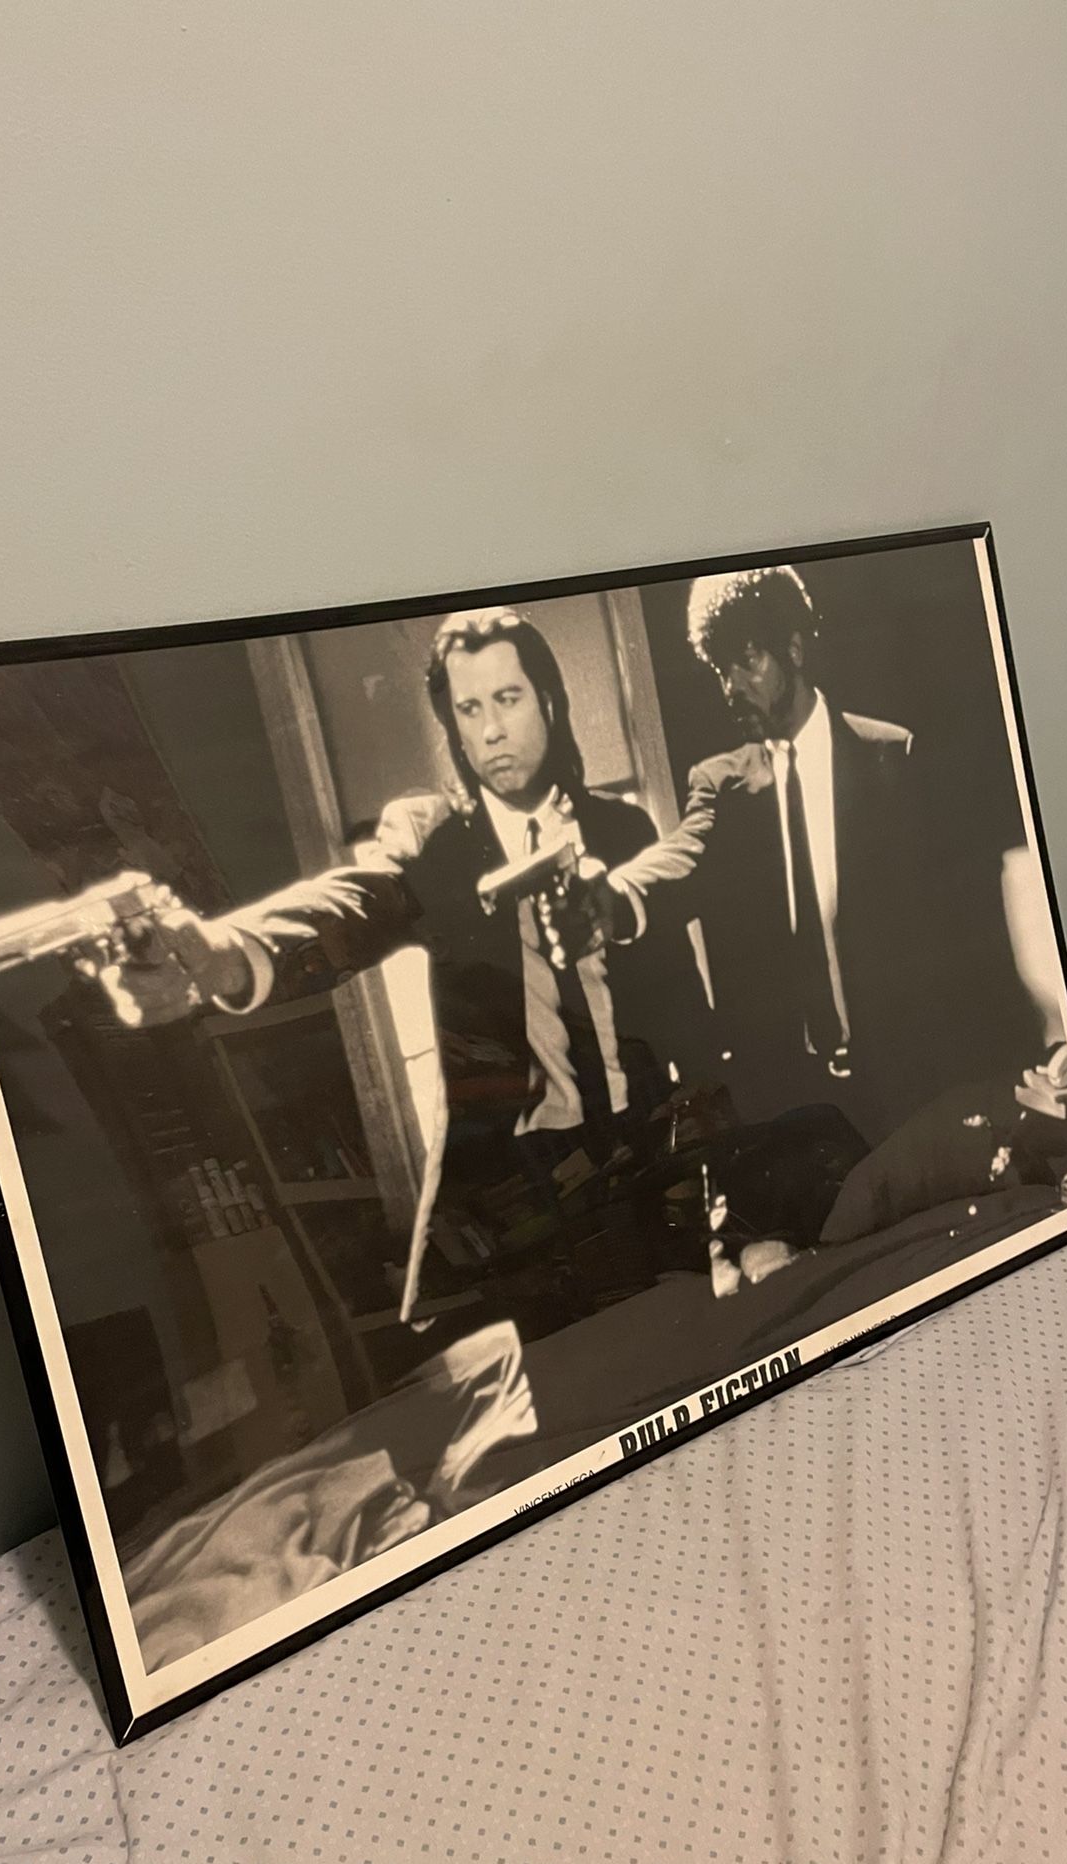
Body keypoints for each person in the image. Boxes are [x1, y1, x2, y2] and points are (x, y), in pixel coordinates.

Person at [100, 605, 705, 1330]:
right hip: (518, 1208)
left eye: (507, 699)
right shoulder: (431, 845)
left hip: (653, 1164)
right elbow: (351, 902)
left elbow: (679, 1002)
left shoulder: (624, 829)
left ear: (549, 700)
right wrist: (225, 958)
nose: (491, 730)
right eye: (469, 709)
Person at [602, 566, 972, 1136]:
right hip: (790, 1101)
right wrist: (615, 891)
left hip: (906, 1080)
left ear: (793, 649)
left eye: (747, 661)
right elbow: (685, 851)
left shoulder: (890, 756)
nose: (732, 687)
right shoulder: (720, 784)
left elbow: (950, 924)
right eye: (721, 670)